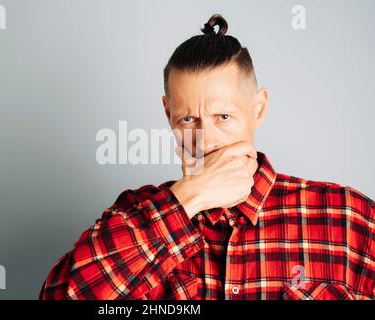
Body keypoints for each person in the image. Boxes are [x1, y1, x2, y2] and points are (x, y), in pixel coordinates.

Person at [39, 14, 374, 300]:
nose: (207, 140)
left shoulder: (347, 216)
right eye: (188, 120)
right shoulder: (132, 217)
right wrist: (189, 196)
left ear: (258, 109)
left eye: (223, 118)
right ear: (168, 114)